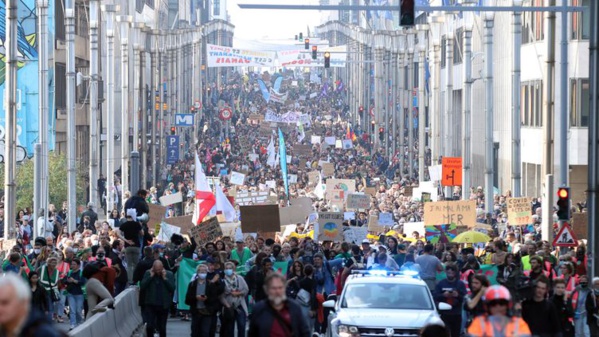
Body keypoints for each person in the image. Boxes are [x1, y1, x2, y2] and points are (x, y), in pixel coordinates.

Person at [0, 273, 65, 337]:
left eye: (5, 303)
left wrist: (46, 309)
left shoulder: (42, 332)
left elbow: (45, 299)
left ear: (22, 303)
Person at [248, 272, 311, 337]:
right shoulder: (259, 309)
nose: (277, 291)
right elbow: (252, 334)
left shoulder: (294, 308)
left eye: (280, 287)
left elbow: (305, 332)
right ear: (266, 290)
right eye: (274, 288)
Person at [467, 285, 531, 337]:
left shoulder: (518, 323)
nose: (498, 307)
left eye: (502, 303)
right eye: (493, 303)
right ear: (486, 306)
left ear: (508, 305)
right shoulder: (479, 322)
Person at [185, 264, 225, 337]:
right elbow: (187, 300)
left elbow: (214, 298)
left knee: (205, 332)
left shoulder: (210, 284)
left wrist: (207, 298)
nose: (202, 273)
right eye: (201, 271)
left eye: (204, 271)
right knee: (195, 332)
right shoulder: (192, 284)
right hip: (196, 312)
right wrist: (196, 297)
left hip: (207, 312)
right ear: (197, 272)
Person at [140, 260, 175, 337]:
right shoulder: (148, 273)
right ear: (153, 268)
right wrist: (150, 277)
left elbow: (172, 288)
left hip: (163, 305)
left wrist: (165, 279)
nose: (158, 271)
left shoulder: (169, 274)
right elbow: (142, 286)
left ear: (162, 267)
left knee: (162, 328)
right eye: (156, 270)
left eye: (159, 269)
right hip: (150, 304)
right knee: (149, 326)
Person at [434, 263, 467, 337]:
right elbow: (435, 297)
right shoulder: (441, 283)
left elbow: (465, 298)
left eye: (452, 272)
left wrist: (457, 295)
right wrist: (443, 295)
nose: (450, 274)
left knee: (455, 334)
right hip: (444, 314)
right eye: (448, 272)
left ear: (455, 273)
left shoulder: (460, 284)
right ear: (445, 272)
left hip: (456, 314)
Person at [220, 262, 249, 337]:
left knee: (242, 325)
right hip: (229, 307)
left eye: (230, 268)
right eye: (226, 268)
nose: (228, 270)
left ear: (233, 269)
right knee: (230, 328)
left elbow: (246, 290)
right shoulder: (222, 280)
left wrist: (238, 293)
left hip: (239, 305)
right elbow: (221, 295)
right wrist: (227, 305)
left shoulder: (239, 278)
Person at [118, 216, 143, 284]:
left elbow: (118, 233)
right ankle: (136, 280)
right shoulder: (137, 224)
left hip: (128, 246)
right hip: (136, 246)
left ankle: (130, 281)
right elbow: (142, 233)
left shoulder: (124, 224)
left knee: (129, 265)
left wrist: (126, 240)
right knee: (135, 264)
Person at [63, 258, 86, 330]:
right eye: (72, 264)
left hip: (79, 294)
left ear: (78, 265)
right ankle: (73, 324)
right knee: (72, 310)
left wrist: (74, 281)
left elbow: (82, 282)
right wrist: (67, 281)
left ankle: (79, 322)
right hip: (70, 293)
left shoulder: (81, 272)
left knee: (78, 310)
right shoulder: (69, 272)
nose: (72, 266)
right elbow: (64, 280)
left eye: (74, 264)